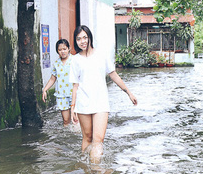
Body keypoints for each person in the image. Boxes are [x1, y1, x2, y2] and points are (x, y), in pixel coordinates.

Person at [70, 25, 137, 163]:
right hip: (83, 103)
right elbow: (75, 86)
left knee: (98, 141)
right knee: (87, 137)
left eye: (84, 37)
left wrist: (128, 92)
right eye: (78, 39)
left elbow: (113, 75)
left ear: (89, 38)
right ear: (75, 41)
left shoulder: (101, 54)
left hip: (100, 102)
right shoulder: (75, 60)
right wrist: (73, 108)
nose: (82, 41)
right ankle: (84, 168)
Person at [42, 39, 76, 127]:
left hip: (74, 94)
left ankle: (77, 138)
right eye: (60, 50)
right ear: (57, 51)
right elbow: (53, 79)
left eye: (64, 49)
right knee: (66, 121)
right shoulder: (56, 63)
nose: (63, 52)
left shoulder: (75, 60)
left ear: (69, 49)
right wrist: (45, 90)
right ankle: (66, 139)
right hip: (62, 95)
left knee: (76, 120)